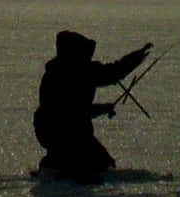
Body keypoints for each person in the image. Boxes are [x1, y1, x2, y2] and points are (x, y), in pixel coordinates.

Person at [32, 30, 152, 181]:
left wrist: (137, 56)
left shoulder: (65, 71)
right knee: (97, 164)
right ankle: (60, 169)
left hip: (51, 130)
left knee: (94, 161)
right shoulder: (73, 72)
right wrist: (102, 108)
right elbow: (71, 112)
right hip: (63, 131)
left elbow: (113, 73)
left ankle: (55, 166)